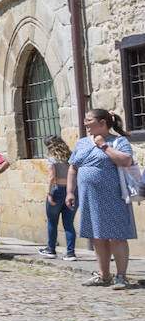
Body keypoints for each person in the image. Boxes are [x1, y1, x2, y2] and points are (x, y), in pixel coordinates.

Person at [68, 108, 136, 289]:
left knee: (117, 236)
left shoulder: (118, 141)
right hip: (89, 197)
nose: (85, 123)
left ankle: (121, 276)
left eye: (88, 120)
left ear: (102, 123)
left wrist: (103, 145)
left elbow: (126, 160)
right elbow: (73, 168)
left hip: (114, 196)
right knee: (98, 237)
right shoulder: (82, 143)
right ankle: (104, 275)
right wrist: (70, 192)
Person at [41, 134, 77, 260]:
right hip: (72, 191)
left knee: (52, 221)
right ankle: (70, 252)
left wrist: (49, 194)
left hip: (57, 191)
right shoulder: (71, 156)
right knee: (69, 223)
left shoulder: (52, 159)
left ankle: (51, 249)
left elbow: (51, 178)